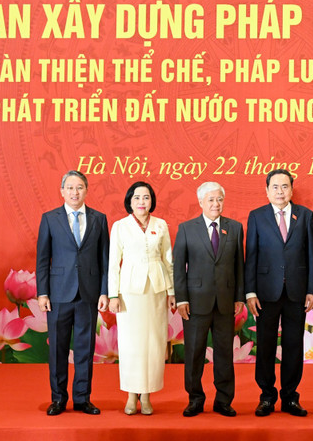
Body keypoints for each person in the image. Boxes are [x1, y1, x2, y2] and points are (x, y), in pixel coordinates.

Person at [245, 168, 313, 417]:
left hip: (297, 291)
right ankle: (266, 396)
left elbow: (311, 254)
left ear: (292, 189)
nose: (280, 191)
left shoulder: (305, 215)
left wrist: (312, 289)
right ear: (266, 191)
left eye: (284, 186)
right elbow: (251, 255)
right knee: (265, 345)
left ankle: (290, 397)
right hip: (265, 292)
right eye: (275, 187)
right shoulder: (257, 216)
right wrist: (250, 292)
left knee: (294, 345)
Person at [36, 170, 109, 416]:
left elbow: (104, 260)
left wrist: (104, 291)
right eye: (70, 188)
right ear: (62, 191)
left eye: (79, 188)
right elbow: (43, 258)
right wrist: (42, 293)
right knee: (57, 349)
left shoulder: (99, 219)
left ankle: (82, 398)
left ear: (86, 190)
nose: (74, 192)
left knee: (85, 349)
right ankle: (58, 399)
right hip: (58, 294)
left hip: (88, 294)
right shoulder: (50, 218)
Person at [173, 182, 245, 417]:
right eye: (211, 200)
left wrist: (239, 297)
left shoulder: (234, 228)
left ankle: (224, 400)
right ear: (201, 202)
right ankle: (195, 399)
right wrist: (182, 299)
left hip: (225, 302)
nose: (216, 204)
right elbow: (178, 268)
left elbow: (238, 266)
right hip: (195, 303)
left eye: (219, 200)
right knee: (194, 354)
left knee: (224, 353)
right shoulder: (186, 228)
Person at [108, 181, 175, 415]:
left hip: (156, 290)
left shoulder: (161, 225)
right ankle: (130, 395)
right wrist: (113, 294)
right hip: (129, 293)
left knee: (154, 344)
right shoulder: (120, 226)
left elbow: (168, 260)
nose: (141, 202)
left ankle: (146, 396)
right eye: (137, 198)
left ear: (151, 201)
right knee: (131, 345)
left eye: (146, 197)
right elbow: (113, 263)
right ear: (129, 200)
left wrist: (172, 292)